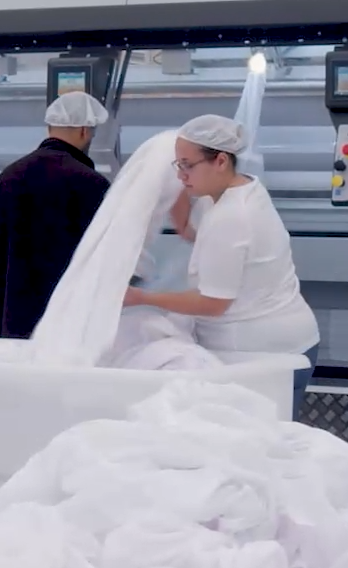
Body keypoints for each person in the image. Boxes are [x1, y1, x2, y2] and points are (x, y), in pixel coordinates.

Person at [123, 114, 321, 414]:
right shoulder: (237, 189)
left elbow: (214, 303)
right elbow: (193, 232)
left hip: (267, 354)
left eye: (188, 166)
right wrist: (172, 201)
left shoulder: (233, 217)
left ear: (220, 161)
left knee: (256, 446)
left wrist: (139, 297)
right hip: (283, 340)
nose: (181, 175)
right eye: (178, 165)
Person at [0, 91, 113, 339]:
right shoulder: (92, 184)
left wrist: (13, 287)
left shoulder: (7, 177)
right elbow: (105, 257)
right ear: (84, 130)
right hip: (70, 322)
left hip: (13, 318)